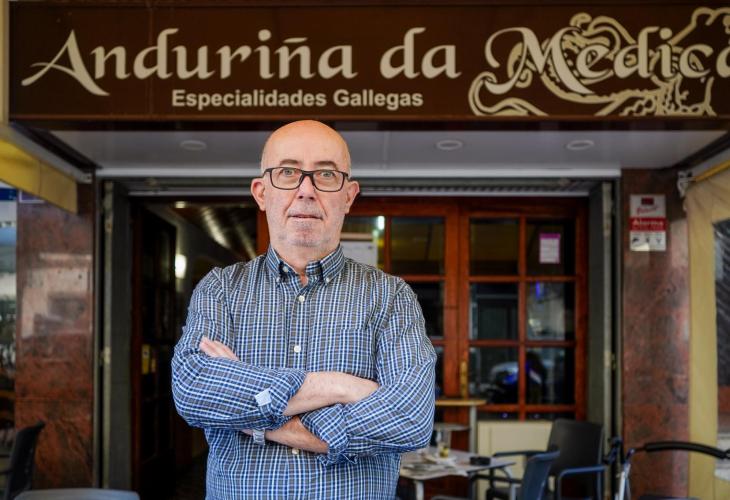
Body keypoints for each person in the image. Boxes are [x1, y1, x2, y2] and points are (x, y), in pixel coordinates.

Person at [172, 120, 436, 499]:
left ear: (349, 196)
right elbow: (194, 390)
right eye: (288, 172)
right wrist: (337, 386)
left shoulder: (391, 297)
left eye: (326, 174)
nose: (306, 190)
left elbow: (410, 419)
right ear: (261, 193)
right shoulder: (221, 289)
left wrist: (256, 419)